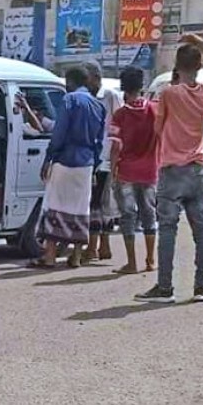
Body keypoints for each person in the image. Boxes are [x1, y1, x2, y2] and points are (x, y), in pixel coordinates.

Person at [136, 34, 203, 304]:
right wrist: (200, 42)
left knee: (168, 229)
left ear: (177, 66)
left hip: (172, 170)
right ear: (198, 66)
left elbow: (158, 128)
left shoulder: (169, 93)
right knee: (202, 229)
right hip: (198, 169)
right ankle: (201, 287)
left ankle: (164, 287)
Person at [29, 66, 105, 269]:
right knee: (80, 209)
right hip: (86, 163)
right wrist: (94, 166)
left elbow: (59, 134)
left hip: (66, 160)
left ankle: (50, 256)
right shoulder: (98, 105)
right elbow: (99, 142)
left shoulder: (70, 100)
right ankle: (77, 257)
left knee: (55, 207)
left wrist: (48, 159)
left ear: (69, 82)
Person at [109, 67, 158, 274]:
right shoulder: (155, 110)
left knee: (127, 216)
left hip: (126, 172)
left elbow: (115, 146)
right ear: (142, 87)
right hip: (150, 171)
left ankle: (131, 263)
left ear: (123, 89)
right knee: (149, 214)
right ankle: (150, 260)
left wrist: (112, 170)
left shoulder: (120, 115)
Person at [84, 62, 122, 263]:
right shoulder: (88, 97)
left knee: (100, 203)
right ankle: (98, 246)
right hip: (93, 157)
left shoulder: (110, 96)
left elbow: (119, 125)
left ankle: (95, 247)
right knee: (96, 203)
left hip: (106, 157)